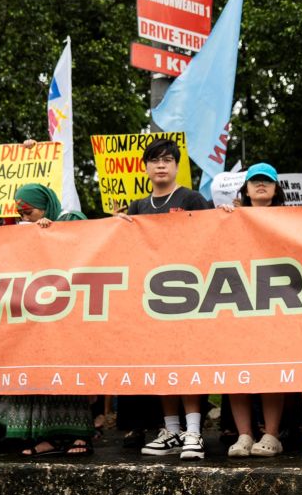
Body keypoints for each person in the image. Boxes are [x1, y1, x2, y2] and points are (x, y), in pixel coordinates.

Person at [119, 138, 215, 460]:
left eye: (167, 160)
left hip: (188, 293)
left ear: (176, 166)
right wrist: (115, 228)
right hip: (152, 298)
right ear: (145, 167)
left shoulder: (191, 198)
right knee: (162, 362)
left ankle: (194, 431)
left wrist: (228, 214)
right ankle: (172, 429)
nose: (161, 165)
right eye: (155, 160)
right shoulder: (137, 207)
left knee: (186, 361)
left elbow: (215, 234)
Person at [0, 184, 93, 457]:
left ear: (46, 207)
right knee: (38, 378)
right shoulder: (21, 231)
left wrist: (56, 232)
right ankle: (44, 437)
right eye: (21, 212)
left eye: (30, 211)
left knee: (68, 377)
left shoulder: (71, 221)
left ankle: (78, 438)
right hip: (34, 317)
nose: (25, 217)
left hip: (67, 317)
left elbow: (87, 242)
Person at [226, 163, 288, 457]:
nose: (261, 185)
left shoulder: (290, 219)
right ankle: (244, 435)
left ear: (276, 189)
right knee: (235, 366)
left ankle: (271, 435)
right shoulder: (230, 219)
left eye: (267, 181)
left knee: (271, 367)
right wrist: (224, 220)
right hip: (238, 301)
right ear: (246, 189)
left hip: (275, 303)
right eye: (255, 181)